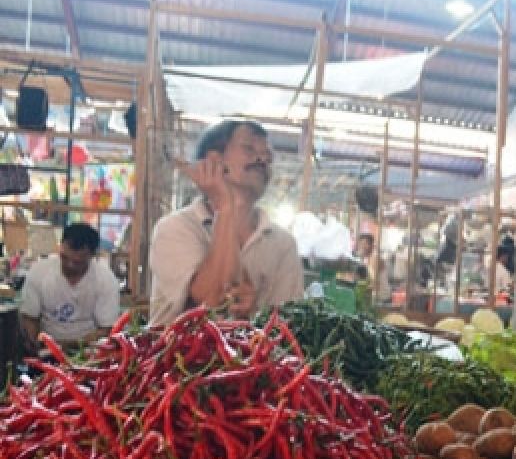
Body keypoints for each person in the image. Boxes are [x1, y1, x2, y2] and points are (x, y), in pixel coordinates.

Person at [148, 119, 304, 326]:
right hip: (174, 357)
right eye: (249, 148)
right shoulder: (175, 229)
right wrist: (226, 207)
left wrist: (254, 310)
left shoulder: (283, 244)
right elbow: (212, 303)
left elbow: (289, 326)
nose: (263, 158)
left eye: (268, 155)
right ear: (213, 161)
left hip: (250, 358)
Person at [19, 222, 120, 351]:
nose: (70, 265)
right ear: (60, 247)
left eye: (77, 262)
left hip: (89, 351)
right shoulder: (39, 272)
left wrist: (66, 346)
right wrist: (33, 342)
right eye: (64, 258)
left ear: (92, 255)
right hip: (45, 350)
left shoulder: (105, 280)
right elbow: (30, 317)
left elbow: (106, 329)